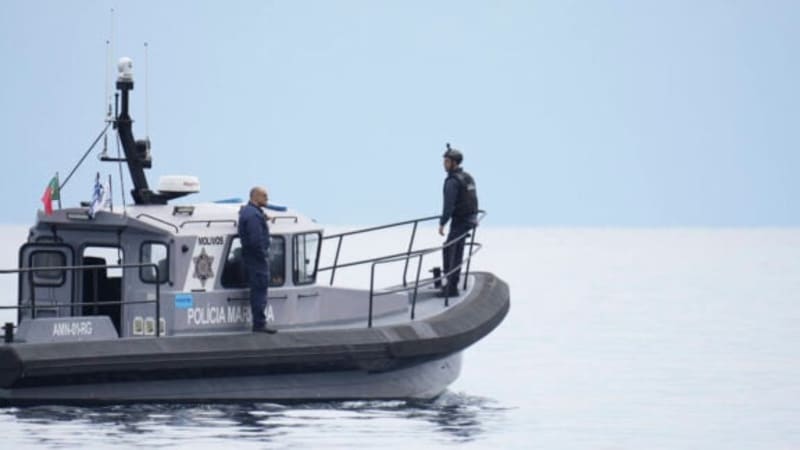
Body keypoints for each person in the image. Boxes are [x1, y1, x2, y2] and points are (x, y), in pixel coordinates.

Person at [438, 144, 479, 297]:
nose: (444, 164)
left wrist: (443, 222)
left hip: (460, 220)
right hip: (469, 219)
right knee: (457, 248)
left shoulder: (452, 181)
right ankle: (452, 283)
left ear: (454, 163)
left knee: (449, 249)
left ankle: (451, 286)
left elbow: (448, 205)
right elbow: (474, 199)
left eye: (447, 161)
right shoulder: (467, 177)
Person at [238, 186, 277, 333]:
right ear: (255, 197)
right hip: (256, 259)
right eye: (264, 196)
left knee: (258, 289)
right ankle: (259, 324)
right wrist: (263, 255)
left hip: (251, 257)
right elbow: (255, 241)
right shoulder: (253, 216)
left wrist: (263, 217)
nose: (267, 199)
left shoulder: (250, 212)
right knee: (259, 290)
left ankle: (259, 323)